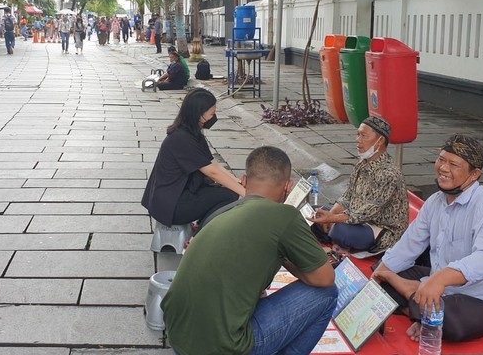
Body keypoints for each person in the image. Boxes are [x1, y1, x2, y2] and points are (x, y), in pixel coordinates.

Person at [162, 146, 338, 355]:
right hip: (222, 347)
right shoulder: (285, 215)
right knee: (328, 295)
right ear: (288, 186)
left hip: (179, 337)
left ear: (244, 181)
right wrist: (285, 257)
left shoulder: (223, 212)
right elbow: (325, 278)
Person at [372, 134, 483, 342]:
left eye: (453, 164)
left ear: (474, 175)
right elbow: (410, 243)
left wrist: (441, 278)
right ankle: (422, 310)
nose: (443, 168)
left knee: (451, 321)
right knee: (380, 274)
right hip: (439, 284)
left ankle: (419, 308)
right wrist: (383, 272)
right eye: (442, 160)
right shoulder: (435, 201)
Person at [142, 88, 244, 228]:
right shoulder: (182, 139)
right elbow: (213, 173)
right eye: (211, 114)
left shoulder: (193, 134)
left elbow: (215, 166)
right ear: (198, 114)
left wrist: (238, 182)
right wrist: (248, 194)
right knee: (229, 195)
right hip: (171, 205)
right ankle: (202, 229)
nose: (213, 117)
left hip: (177, 195)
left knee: (229, 188)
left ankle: (201, 225)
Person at [310, 116, 408, 252]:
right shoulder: (362, 163)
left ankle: (334, 239)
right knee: (313, 212)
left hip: (380, 229)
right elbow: (347, 196)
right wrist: (330, 216)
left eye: (363, 136)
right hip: (354, 218)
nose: (358, 140)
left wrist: (333, 219)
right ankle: (334, 239)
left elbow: (367, 214)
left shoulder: (389, 173)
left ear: (380, 141)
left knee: (340, 231)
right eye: (358, 134)